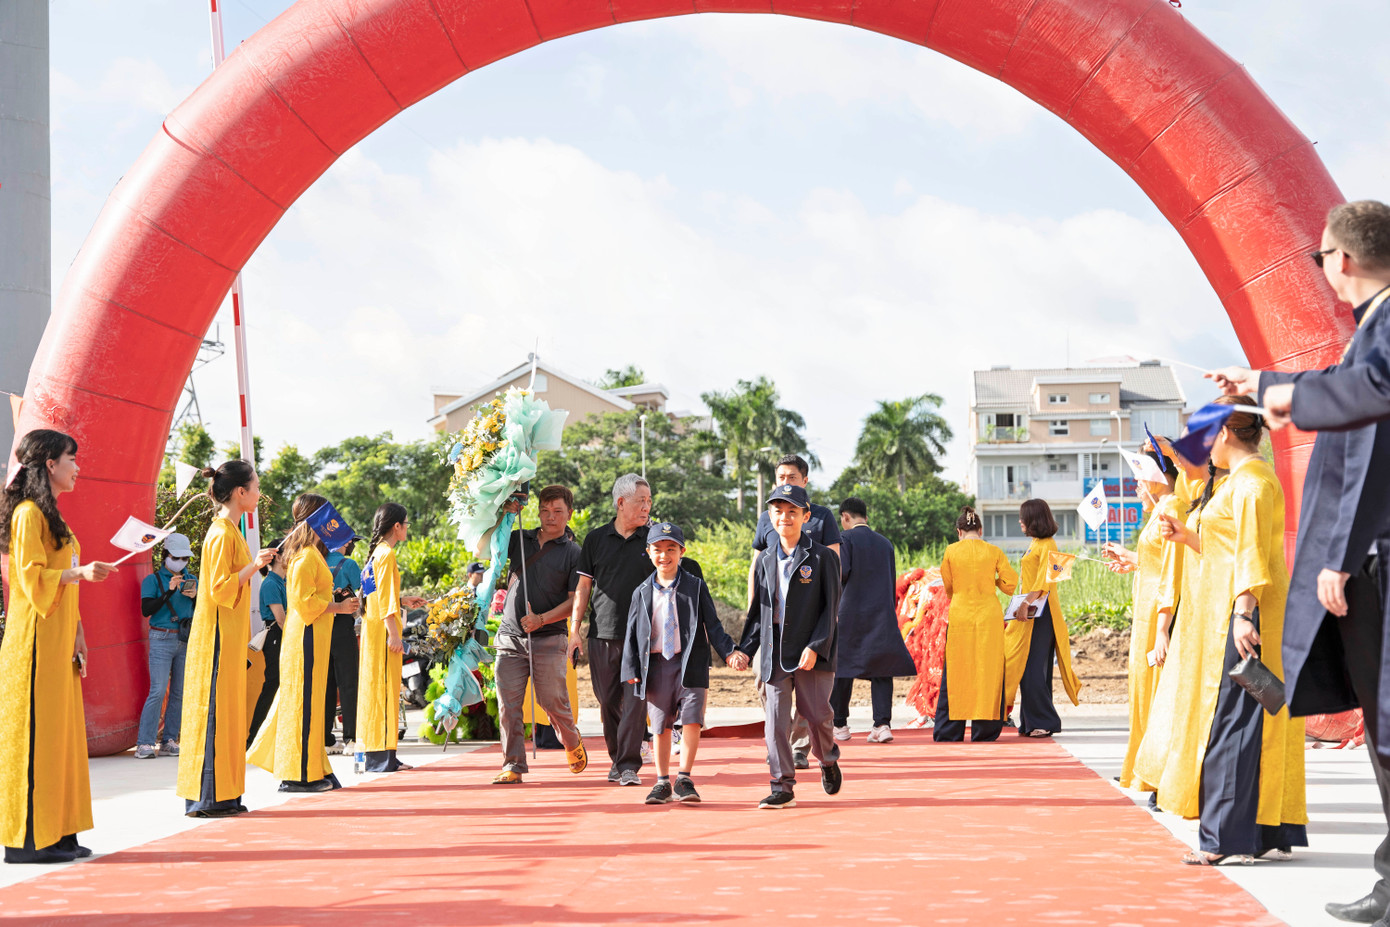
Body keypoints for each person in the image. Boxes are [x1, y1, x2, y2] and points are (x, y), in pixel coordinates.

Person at [1211, 200, 1390, 922]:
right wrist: (1265, 386)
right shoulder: (1369, 332)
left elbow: (1372, 448)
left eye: (1321, 258)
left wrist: (1341, 557)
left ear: (1340, 261)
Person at [1155, 396, 1307, 865]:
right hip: (1244, 608)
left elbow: (1252, 558)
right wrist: (1187, 537)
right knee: (1250, 718)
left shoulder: (1252, 484)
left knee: (1236, 720)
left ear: (1223, 433)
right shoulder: (1244, 482)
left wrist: (1244, 612)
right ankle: (1259, 830)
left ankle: (1226, 838)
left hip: (1247, 613)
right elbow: (1234, 547)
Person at [0, 429, 115, 863]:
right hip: (33, 646)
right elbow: (29, 580)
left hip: (58, 643)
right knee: (35, 739)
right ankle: (28, 839)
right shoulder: (29, 514)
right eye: (72, 458)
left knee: (60, 740)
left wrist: (79, 630)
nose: (77, 467)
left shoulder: (55, 519)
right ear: (50, 464)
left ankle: (59, 829)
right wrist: (78, 574)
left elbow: (62, 577)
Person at [177, 460, 276, 817]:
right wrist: (255, 565)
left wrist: (253, 564)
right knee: (215, 715)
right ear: (240, 493)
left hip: (230, 638)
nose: (259, 494)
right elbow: (220, 589)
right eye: (256, 486)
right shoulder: (220, 533)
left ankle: (226, 793)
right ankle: (208, 797)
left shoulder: (231, 531)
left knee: (230, 715)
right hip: (217, 638)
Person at [735, 484, 842, 809]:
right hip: (773, 651)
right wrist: (745, 649)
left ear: (805, 517)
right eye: (778, 511)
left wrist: (816, 646)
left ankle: (826, 758)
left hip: (811, 651)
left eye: (792, 511)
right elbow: (758, 611)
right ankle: (781, 784)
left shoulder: (822, 557)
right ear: (770, 516)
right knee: (776, 720)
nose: (785, 517)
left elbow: (831, 609)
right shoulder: (765, 560)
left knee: (817, 715)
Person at [248, 494, 359, 792]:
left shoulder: (308, 554)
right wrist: (338, 607)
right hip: (305, 637)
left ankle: (313, 768)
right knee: (302, 706)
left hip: (312, 637)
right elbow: (303, 603)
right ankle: (296, 774)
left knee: (307, 705)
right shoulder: (306, 556)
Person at [623, 522, 740, 804]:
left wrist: (729, 652)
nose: (664, 555)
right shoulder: (641, 592)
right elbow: (632, 631)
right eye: (658, 550)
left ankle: (684, 778)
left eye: (671, 549)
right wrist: (631, 668)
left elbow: (712, 624)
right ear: (648, 553)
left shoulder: (695, 587)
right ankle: (662, 781)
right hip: (656, 665)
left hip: (691, 663)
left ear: (682, 552)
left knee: (691, 721)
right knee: (660, 725)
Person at [492, 485, 588, 785]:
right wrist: (505, 514)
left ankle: (571, 740)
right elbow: (491, 545)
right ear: (538, 512)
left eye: (558, 511)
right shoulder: (520, 538)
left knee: (552, 702)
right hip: (510, 636)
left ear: (569, 514)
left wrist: (541, 619)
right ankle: (513, 765)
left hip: (549, 639)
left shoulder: (574, 552)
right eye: (545, 511)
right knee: (508, 705)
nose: (551, 517)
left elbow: (576, 600)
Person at [1103, 449, 1182, 796]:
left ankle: (1156, 771)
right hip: (1147, 612)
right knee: (1142, 688)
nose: (1135, 484)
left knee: (1155, 689)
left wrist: (1163, 627)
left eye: (1139, 474)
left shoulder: (1172, 508)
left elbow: (1173, 572)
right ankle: (1143, 767)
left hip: (1158, 614)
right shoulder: (1160, 510)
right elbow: (1157, 561)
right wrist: (1133, 559)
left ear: (1159, 476)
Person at [567, 474, 654, 786]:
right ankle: (618, 758)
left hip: (643, 637)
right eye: (640, 501)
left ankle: (628, 764)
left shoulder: (654, 539)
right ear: (621, 503)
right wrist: (575, 630)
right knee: (607, 702)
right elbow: (583, 587)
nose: (647, 507)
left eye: (649, 501)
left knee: (634, 701)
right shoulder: (595, 539)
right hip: (602, 634)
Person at [830, 497, 914, 744]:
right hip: (881, 612)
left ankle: (840, 725)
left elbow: (841, 573)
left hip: (849, 614)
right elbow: (891, 581)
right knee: (882, 669)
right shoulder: (885, 544)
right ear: (865, 516)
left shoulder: (844, 539)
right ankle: (882, 724)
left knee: (842, 669)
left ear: (845, 517)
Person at [934, 506, 1017, 742]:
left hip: (961, 614)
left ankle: (950, 731)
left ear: (959, 531)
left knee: (957, 672)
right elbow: (1011, 584)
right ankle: (985, 731)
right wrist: (994, 582)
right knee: (987, 671)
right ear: (980, 530)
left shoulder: (951, 551)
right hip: (988, 616)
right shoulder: (993, 551)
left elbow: (948, 586)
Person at [356, 504, 428, 773]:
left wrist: (402, 600)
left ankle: (386, 755)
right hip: (383, 634)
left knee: (381, 692)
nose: (407, 527)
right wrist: (395, 635)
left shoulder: (377, 553)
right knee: (384, 693)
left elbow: (375, 597)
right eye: (406, 523)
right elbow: (383, 601)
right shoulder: (385, 555)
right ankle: (381, 757)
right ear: (396, 526)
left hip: (374, 632)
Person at [1002, 499, 1081, 737]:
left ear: (1034, 519)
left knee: (1033, 668)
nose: (1020, 521)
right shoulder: (1036, 543)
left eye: (1023, 517)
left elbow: (1045, 581)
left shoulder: (1048, 543)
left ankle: (1044, 722)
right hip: (1031, 609)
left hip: (1041, 612)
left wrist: (1026, 603)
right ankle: (1031, 722)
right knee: (1030, 667)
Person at [135, 533, 197, 759]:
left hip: (184, 638)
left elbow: (201, 611)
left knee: (179, 692)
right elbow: (146, 610)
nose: (181, 562)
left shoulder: (192, 579)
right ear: (166, 556)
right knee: (158, 690)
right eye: (177, 557)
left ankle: (170, 739)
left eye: (185, 558)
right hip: (160, 637)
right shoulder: (152, 580)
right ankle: (145, 742)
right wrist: (169, 591)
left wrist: (195, 596)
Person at [323, 538, 362, 755]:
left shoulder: (317, 561)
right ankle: (351, 738)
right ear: (345, 543)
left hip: (322, 624)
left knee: (327, 683)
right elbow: (361, 591)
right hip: (342, 623)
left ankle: (326, 739)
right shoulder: (348, 564)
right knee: (348, 682)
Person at [246, 538, 286, 745]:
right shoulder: (270, 583)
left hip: (281, 636)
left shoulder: (283, 582)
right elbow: (280, 618)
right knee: (273, 684)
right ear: (278, 557)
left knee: (278, 685)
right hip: (276, 637)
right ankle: (254, 737)